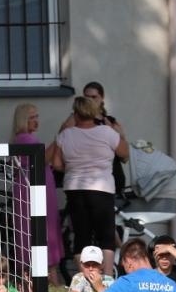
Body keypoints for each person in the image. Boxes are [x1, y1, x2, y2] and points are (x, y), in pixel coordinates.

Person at [51, 94, 128, 262]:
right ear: (94, 113)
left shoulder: (65, 135)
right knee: (106, 236)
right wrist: (120, 134)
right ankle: (107, 276)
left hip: (74, 188)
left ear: (76, 114)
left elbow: (56, 164)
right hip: (102, 188)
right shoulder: (107, 133)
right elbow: (124, 154)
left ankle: (84, 278)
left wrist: (72, 168)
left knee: (81, 235)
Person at [11, 103, 65, 283]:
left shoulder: (30, 137)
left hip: (40, 190)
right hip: (31, 191)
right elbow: (41, 157)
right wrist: (59, 138)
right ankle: (42, 280)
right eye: (31, 117)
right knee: (37, 230)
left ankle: (51, 278)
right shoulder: (24, 139)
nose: (36, 121)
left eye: (37, 116)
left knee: (46, 227)